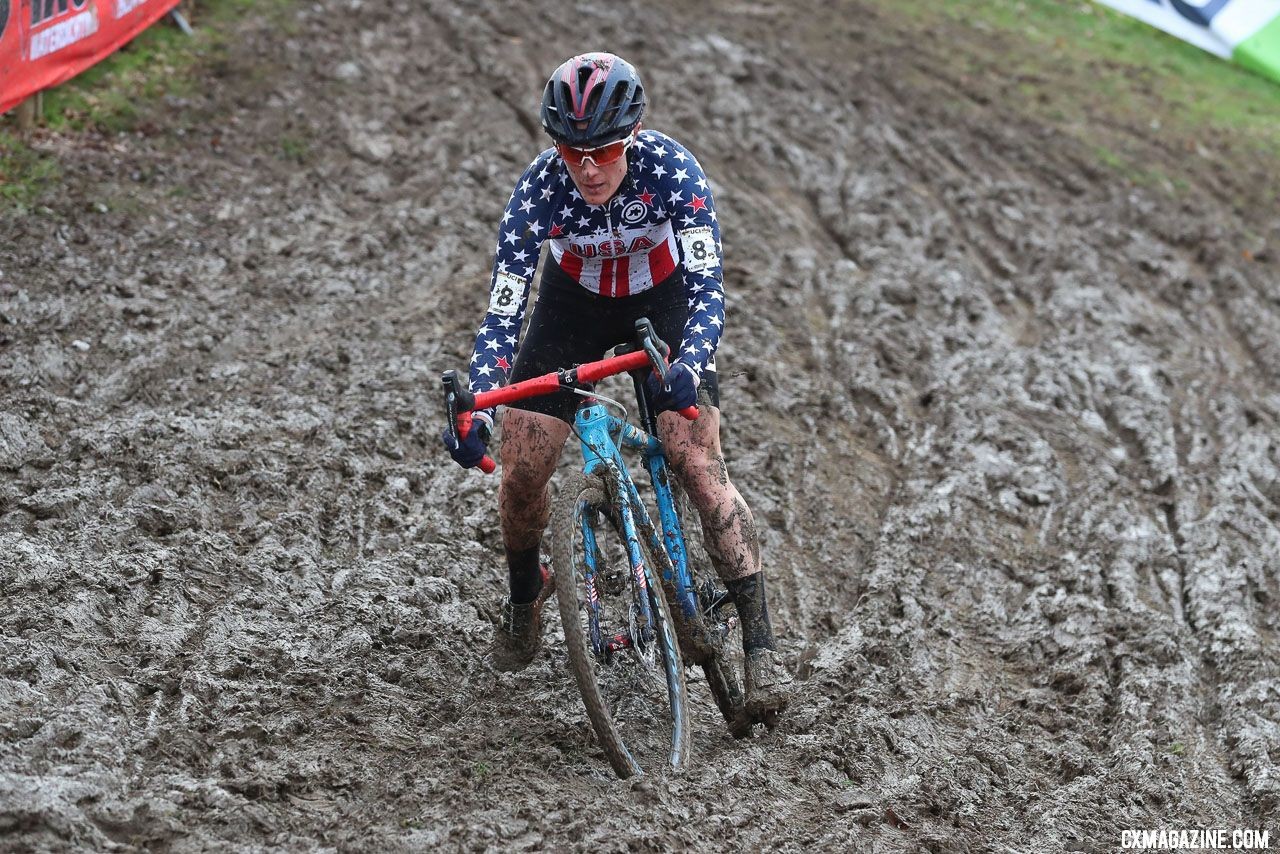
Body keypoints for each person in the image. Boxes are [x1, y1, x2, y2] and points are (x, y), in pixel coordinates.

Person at [442, 52, 791, 718]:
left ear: (630, 138)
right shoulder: (539, 190)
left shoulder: (670, 170)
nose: (590, 167)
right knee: (521, 467)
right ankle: (526, 594)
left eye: (604, 150)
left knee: (695, 457)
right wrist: (477, 408)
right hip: (571, 308)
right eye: (574, 152)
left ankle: (760, 645)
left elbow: (707, 288)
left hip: (659, 305)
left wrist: (691, 358)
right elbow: (505, 310)